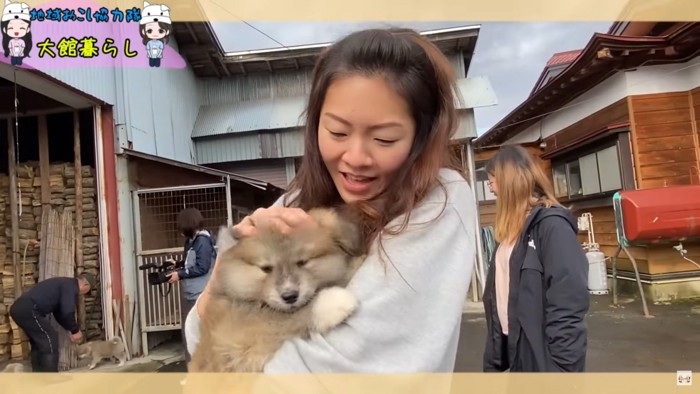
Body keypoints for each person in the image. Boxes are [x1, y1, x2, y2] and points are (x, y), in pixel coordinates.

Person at [184, 27, 478, 373]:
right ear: (315, 125)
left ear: (421, 136)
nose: (355, 157)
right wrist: (216, 289)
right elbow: (200, 336)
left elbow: (338, 368)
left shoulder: (439, 200)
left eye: (384, 139)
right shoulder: (297, 199)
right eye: (337, 132)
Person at [481, 145, 589, 373]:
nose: (491, 187)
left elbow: (568, 300)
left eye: (493, 180)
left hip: (544, 360)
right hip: (514, 353)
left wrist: (563, 369)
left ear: (510, 181)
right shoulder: (510, 232)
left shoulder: (552, 226)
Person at [9, 273, 95, 372]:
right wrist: (75, 331)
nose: (84, 294)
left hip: (19, 308)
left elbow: (59, 313)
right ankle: (51, 378)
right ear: (85, 285)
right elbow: (67, 312)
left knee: (39, 342)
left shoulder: (65, 284)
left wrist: (71, 329)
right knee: (49, 338)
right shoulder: (71, 286)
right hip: (29, 310)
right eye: (87, 292)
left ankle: (39, 375)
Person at [166, 207, 216, 364]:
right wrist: (178, 264)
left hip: (200, 294)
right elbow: (192, 263)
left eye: (181, 227)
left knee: (195, 333)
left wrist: (179, 274)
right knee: (190, 333)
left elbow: (202, 267)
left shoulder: (202, 241)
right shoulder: (191, 241)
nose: (180, 230)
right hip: (192, 294)